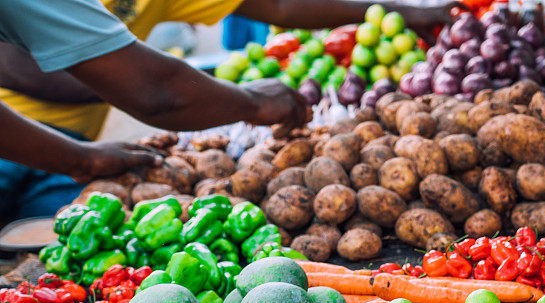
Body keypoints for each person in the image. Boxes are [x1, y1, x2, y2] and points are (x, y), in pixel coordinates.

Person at [0, 0, 457, 221]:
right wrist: (251, 101)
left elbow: (279, 3)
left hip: (56, 151)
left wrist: (398, 9)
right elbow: (152, 90)